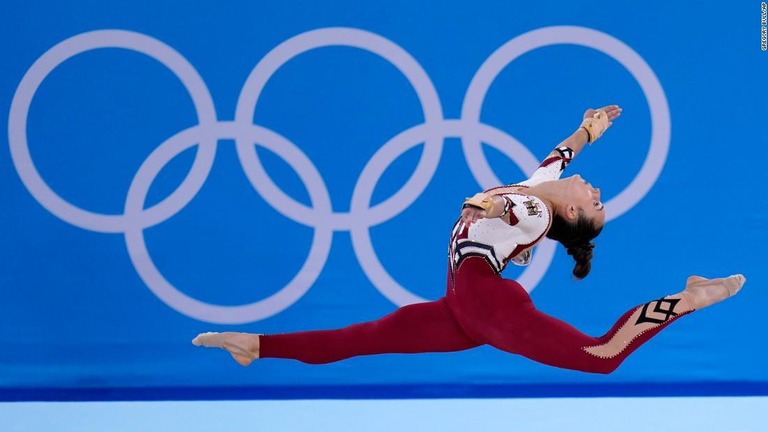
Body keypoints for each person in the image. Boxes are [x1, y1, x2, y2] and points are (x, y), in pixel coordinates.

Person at [192, 105, 745, 373]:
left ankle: (690, 297)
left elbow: (513, 207)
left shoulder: (530, 207)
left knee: (601, 355)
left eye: (596, 202)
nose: (596, 189)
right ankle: (256, 345)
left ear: (571, 210)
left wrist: (487, 204)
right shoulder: (542, 189)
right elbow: (559, 158)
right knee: (360, 337)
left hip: (485, 300)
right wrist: (589, 129)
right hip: (465, 305)